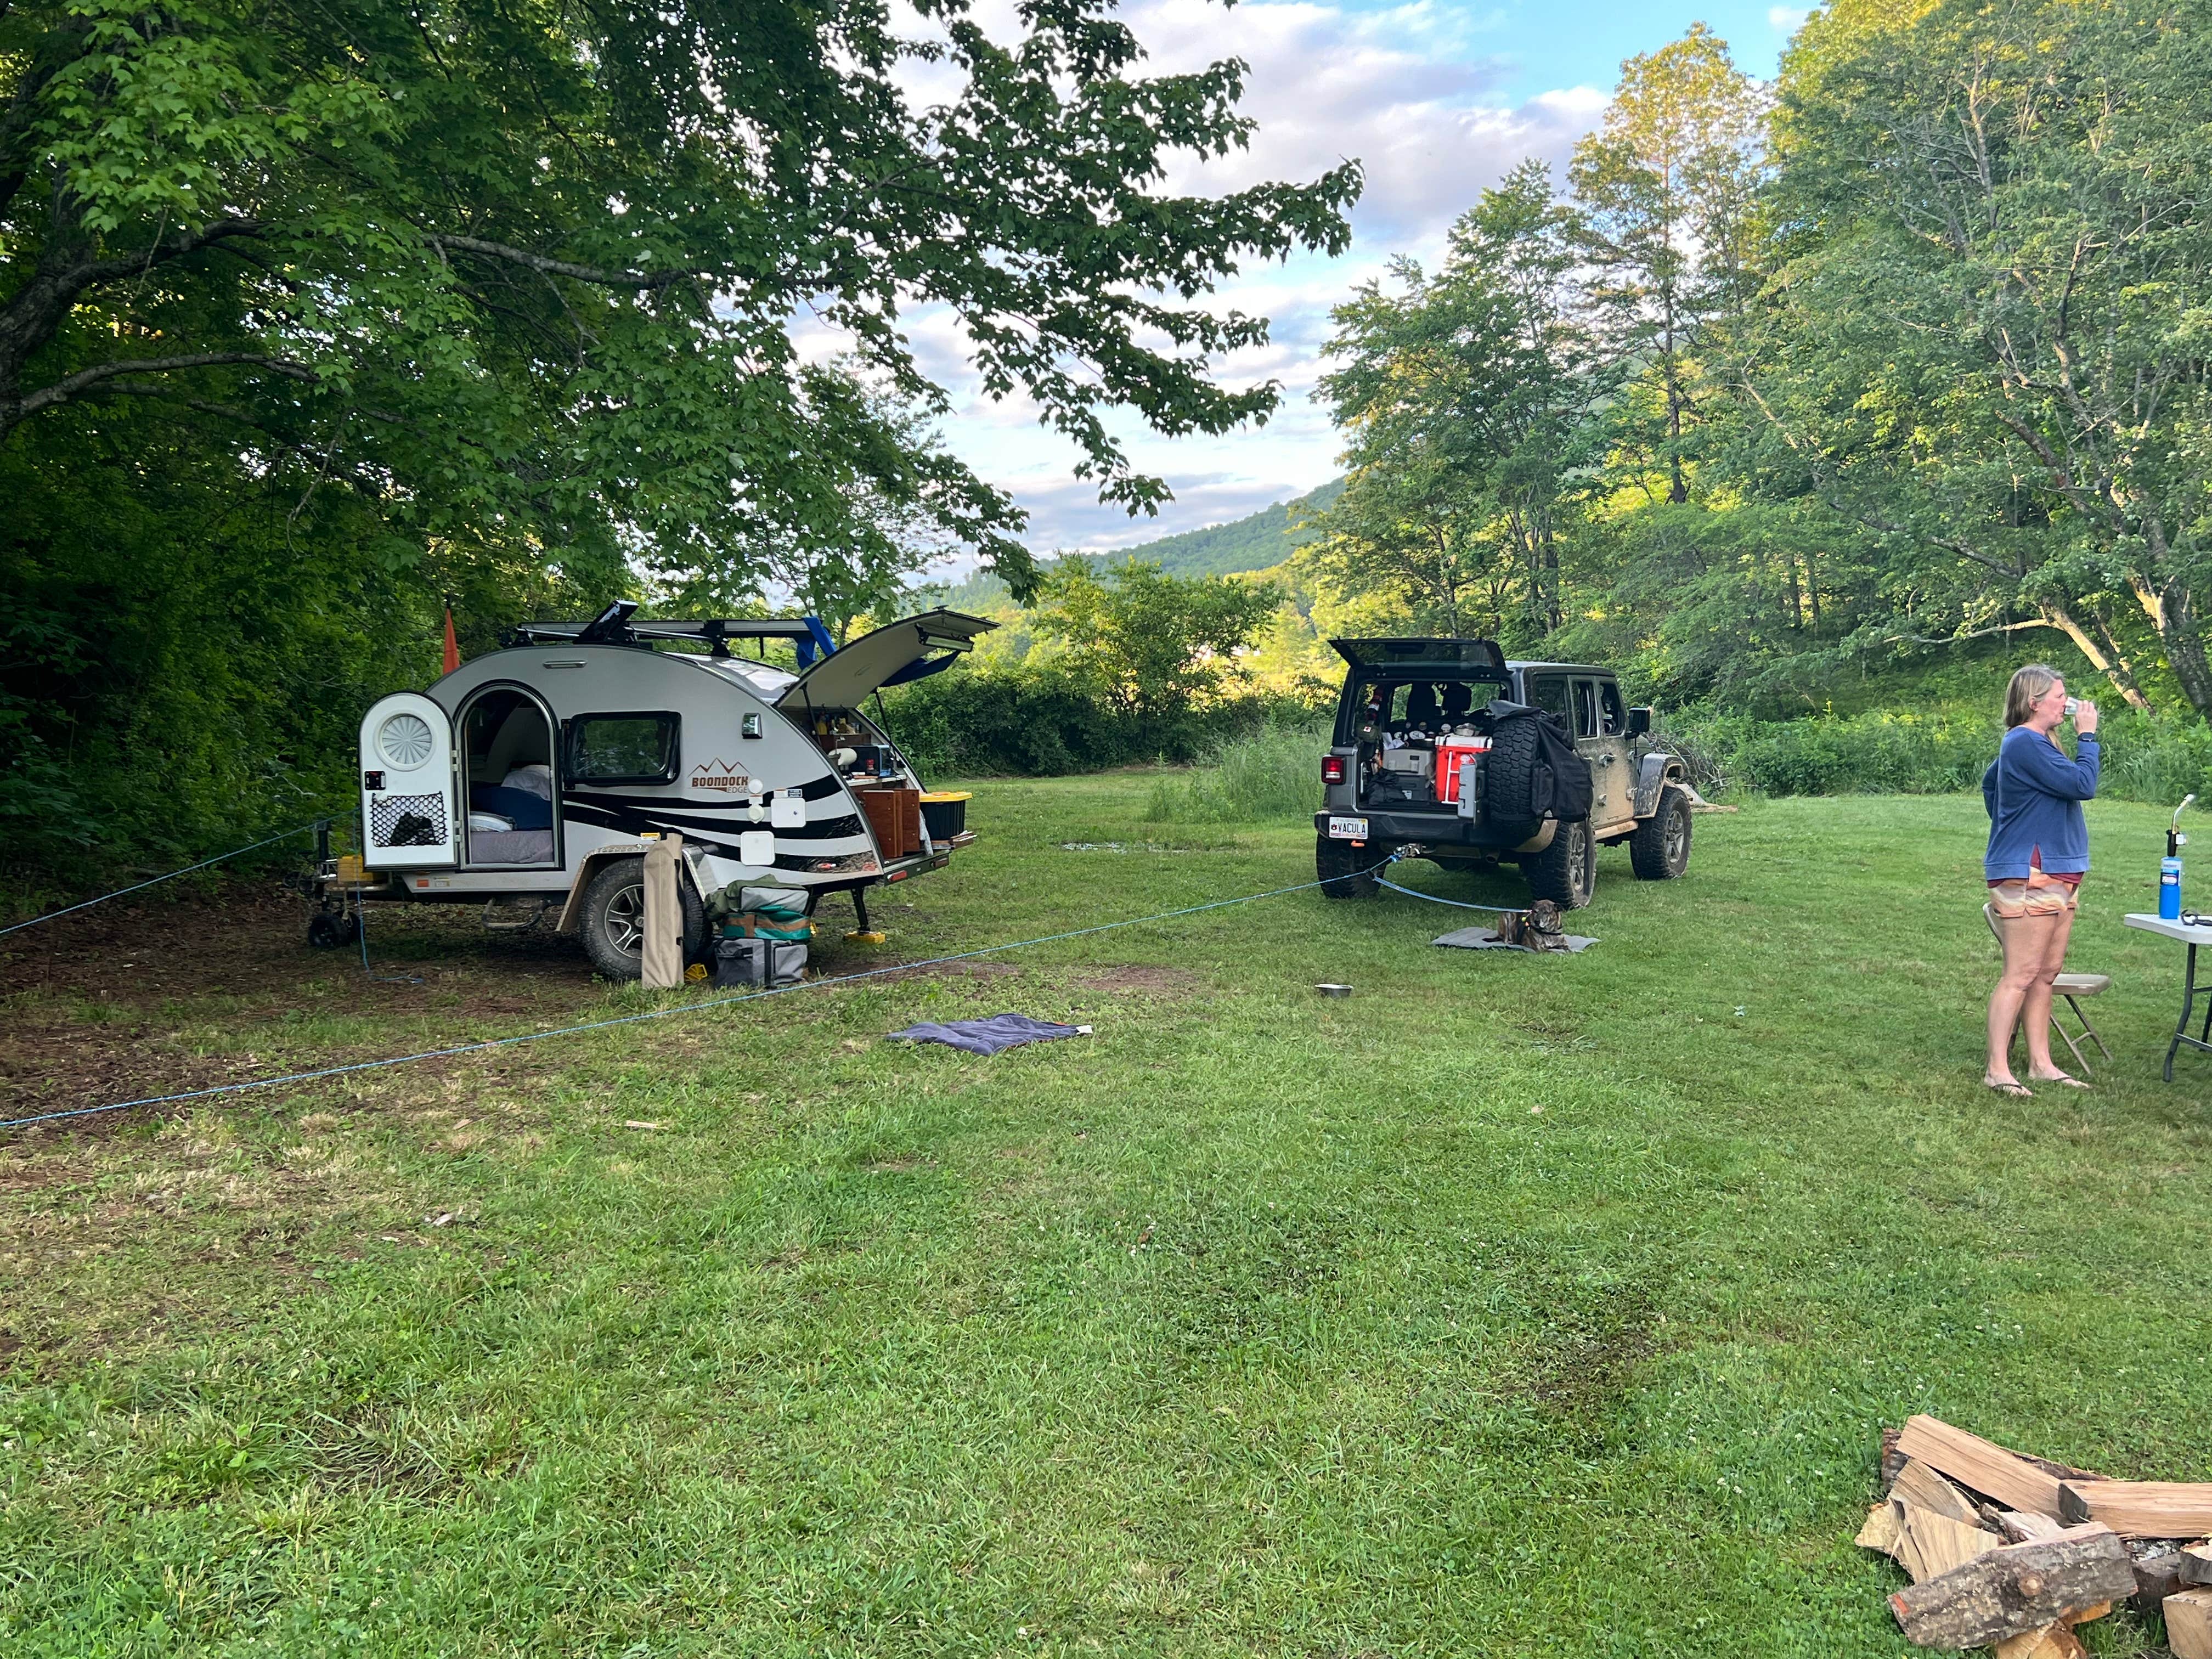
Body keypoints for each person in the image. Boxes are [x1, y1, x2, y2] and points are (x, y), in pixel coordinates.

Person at [1983, 664, 2100, 1096]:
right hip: (2031, 872)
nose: (2067, 705)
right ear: (2034, 703)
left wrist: (2009, 819)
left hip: (2060, 870)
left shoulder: (2039, 743)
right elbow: (2082, 784)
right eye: (2058, 697)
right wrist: (2087, 736)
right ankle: (1997, 1069)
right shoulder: (2023, 742)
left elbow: (1990, 784)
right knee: (2021, 973)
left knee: (2046, 974)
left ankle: (2042, 1064)